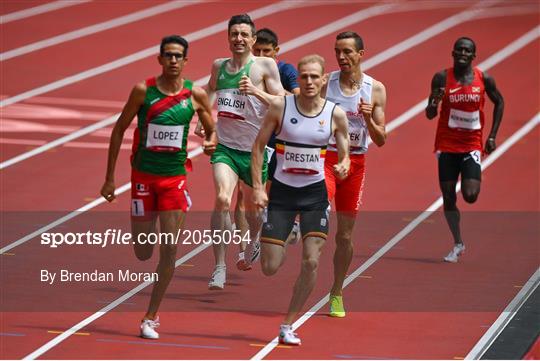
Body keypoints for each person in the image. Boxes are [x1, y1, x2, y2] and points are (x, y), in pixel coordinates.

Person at [100, 35, 217, 339]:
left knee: (169, 249)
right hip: (142, 178)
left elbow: (212, 129)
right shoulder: (144, 91)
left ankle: (150, 317)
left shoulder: (196, 95)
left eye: (179, 56)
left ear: (186, 61)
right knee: (142, 251)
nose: (174, 61)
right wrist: (110, 178)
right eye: (168, 55)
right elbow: (118, 130)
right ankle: (144, 228)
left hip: (174, 179)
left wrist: (209, 140)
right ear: (160, 59)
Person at [251, 54, 350, 345]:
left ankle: (288, 323)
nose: (307, 81)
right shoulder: (281, 107)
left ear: (323, 80)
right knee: (270, 267)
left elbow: (344, 150)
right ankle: (289, 230)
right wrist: (258, 187)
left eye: (313, 77)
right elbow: (258, 148)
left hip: (314, 195)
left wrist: (344, 163)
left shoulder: (335, 114)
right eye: (303, 76)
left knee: (311, 262)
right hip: (281, 193)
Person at [204, 14, 285, 289]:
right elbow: (209, 93)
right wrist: (204, 123)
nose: (238, 39)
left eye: (243, 35)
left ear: (252, 39)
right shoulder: (219, 66)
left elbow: (283, 100)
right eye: (234, 34)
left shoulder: (264, 66)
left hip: (254, 152)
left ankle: (253, 238)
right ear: (228, 38)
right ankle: (219, 266)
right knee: (222, 199)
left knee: (252, 214)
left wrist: (255, 92)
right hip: (225, 148)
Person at [322, 31, 387, 318]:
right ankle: (302, 220)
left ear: (361, 54)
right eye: (338, 51)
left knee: (345, 237)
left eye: (347, 51)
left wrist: (370, 118)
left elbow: (381, 138)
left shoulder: (376, 89)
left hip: (357, 164)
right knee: (319, 203)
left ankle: (336, 292)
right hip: (328, 158)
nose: (341, 57)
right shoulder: (326, 83)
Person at [426, 36, 504, 263]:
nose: (462, 53)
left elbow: (500, 102)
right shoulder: (441, 78)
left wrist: (492, 135)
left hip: (471, 144)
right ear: (452, 53)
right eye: (458, 49)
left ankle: (472, 173)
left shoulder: (483, 78)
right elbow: (429, 114)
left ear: (473, 56)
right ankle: (458, 242)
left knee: (470, 196)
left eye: (467, 50)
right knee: (449, 197)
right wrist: (434, 102)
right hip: (447, 145)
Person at [230, 27, 301, 269]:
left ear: (276, 51)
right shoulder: (242, 70)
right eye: (257, 50)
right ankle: (245, 248)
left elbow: (295, 99)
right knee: (242, 194)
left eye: (266, 51)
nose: (261, 54)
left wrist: (258, 92)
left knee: (269, 194)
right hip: (249, 138)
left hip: (278, 140)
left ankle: (284, 223)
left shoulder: (285, 70)